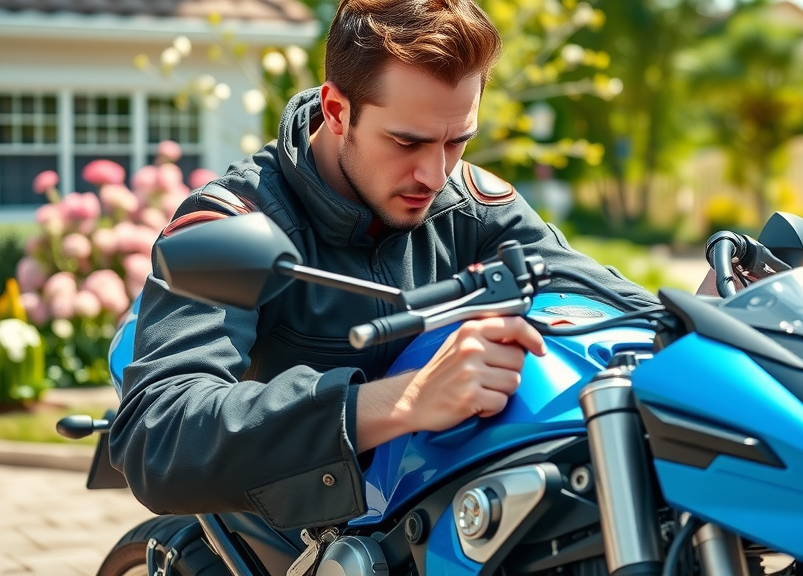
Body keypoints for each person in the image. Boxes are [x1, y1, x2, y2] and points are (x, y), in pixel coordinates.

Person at [109, 0, 658, 531]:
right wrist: (406, 399)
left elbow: (615, 300)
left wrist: (711, 312)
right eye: (406, 141)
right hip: (289, 522)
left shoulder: (471, 206)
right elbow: (156, 436)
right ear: (336, 111)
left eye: (457, 141)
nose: (434, 175)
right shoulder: (233, 224)